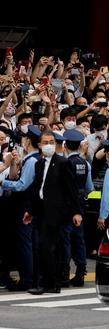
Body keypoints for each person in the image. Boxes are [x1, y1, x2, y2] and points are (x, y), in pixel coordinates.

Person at [22, 130, 82, 294]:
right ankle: (51, 282)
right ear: (40, 145)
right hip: (42, 211)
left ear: (56, 144)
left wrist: (76, 212)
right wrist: (30, 211)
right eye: (45, 142)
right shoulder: (39, 163)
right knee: (44, 247)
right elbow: (38, 188)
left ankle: (49, 283)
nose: (48, 145)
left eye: (51, 142)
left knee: (48, 247)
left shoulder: (63, 163)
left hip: (56, 212)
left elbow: (72, 189)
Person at [0, 125, 41, 291]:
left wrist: (3, 182)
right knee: (31, 242)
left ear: (28, 141)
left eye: (24, 138)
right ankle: (32, 276)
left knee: (26, 242)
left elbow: (22, 185)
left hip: (25, 205)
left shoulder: (32, 160)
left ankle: (27, 279)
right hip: (31, 204)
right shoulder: (36, 158)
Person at [59, 129, 93, 287]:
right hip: (80, 205)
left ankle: (64, 273)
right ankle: (80, 272)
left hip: (67, 208)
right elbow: (88, 188)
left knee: (65, 241)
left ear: (65, 145)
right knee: (79, 240)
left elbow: (66, 189)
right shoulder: (84, 163)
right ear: (79, 146)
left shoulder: (66, 164)